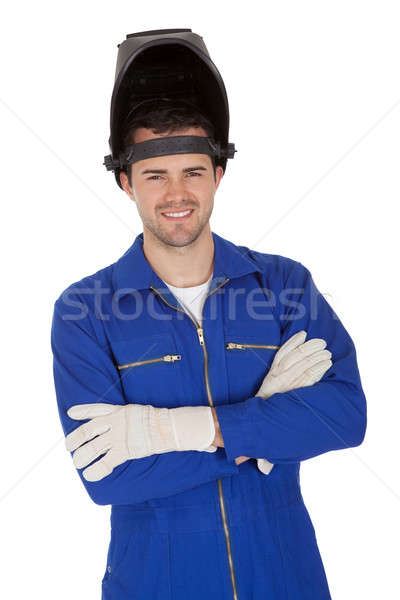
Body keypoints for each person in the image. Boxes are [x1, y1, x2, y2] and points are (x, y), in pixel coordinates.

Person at [51, 31, 367, 600]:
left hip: (287, 581)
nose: (177, 193)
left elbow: (345, 414)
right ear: (126, 183)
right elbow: (107, 475)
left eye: (193, 172)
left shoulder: (283, 285)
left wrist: (181, 430)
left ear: (218, 174)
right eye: (155, 175)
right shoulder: (84, 312)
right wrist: (267, 428)